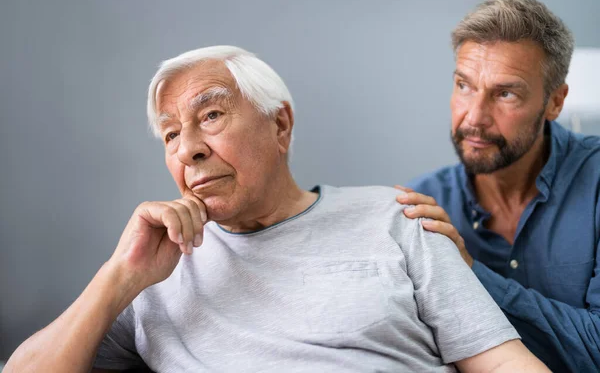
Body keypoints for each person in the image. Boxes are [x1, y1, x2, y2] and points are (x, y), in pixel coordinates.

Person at [6, 46, 547, 373]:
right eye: (171, 134)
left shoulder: (395, 217)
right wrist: (117, 277)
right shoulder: (154, 268)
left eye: (210, 115)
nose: (187, 147)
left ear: (280, 125)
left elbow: (501, 362)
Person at [397, 0, 600, 372]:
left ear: (555, 102)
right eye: (464, 85)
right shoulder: (419, 207)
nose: (474, 117)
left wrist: (469, 272)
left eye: (505, 93)